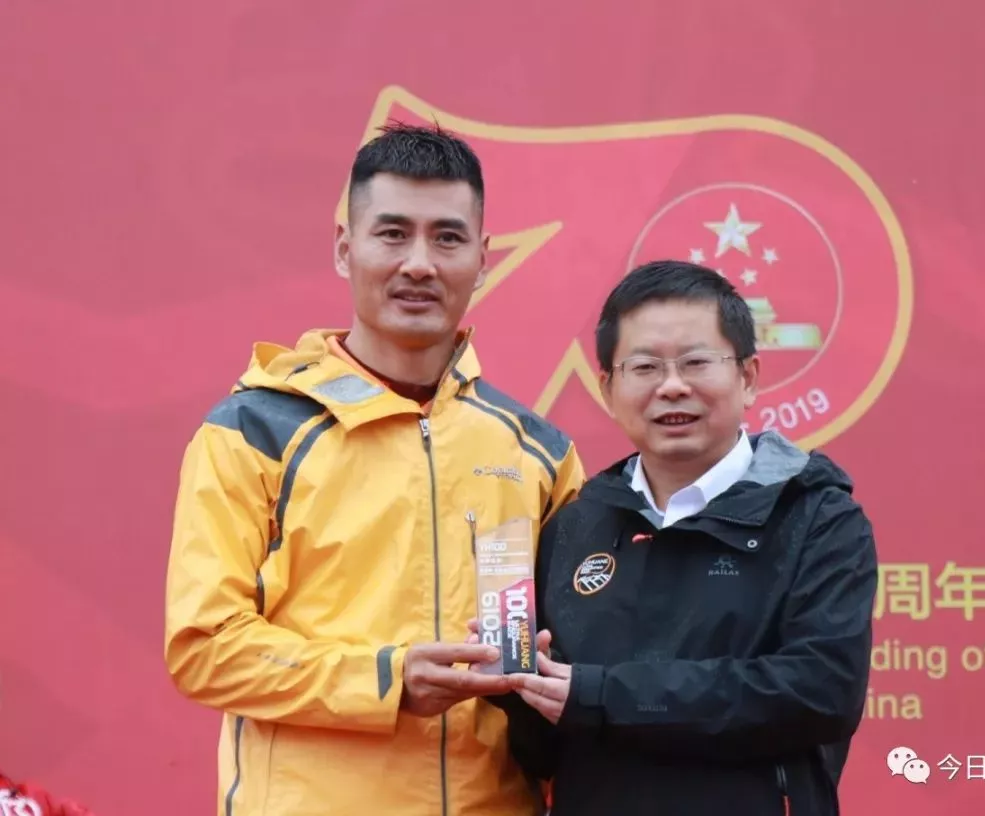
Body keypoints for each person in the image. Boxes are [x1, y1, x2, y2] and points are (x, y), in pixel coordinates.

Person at [163, 123, 585, 816]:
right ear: (344, 247)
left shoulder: (538, 452)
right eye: (392, 234)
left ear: (483, 259)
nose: (419, 263)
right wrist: (385, 680)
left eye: (447, 238)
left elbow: (578, 653)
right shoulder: (255, 430)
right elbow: (204, 648)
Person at [489, 260, 878, 814]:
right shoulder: (574, 526)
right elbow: (546, 751)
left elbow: (821, 692)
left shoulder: (816, 516)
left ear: (748, 377)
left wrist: (602, 696)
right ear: (608, 389)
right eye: (645, 366)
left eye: (696, 362)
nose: (672, 387)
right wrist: (518, 686)